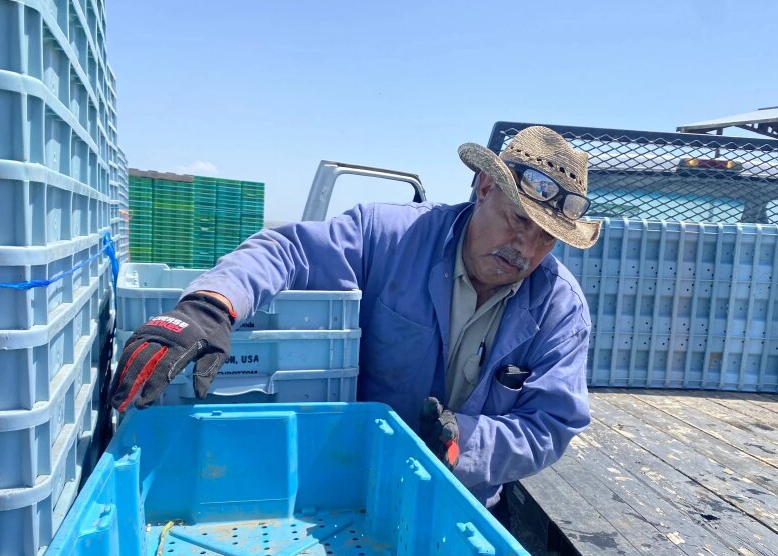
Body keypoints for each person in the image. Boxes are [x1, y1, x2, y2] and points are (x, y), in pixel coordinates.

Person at [111, 126, 601, 529]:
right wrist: (211, 305)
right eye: (519, 220)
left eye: (547, 238)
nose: (526, 249)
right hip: (351, 487)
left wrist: (463, 440)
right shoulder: (389, 236)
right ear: (485, 187)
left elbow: (551, 424)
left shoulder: (561, 309)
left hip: (465, 506)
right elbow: (289, 250)